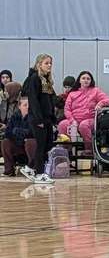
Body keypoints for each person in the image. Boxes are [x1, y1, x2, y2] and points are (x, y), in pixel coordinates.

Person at [22, 54, 56, 183]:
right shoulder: (35, 79)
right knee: (41, 145)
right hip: (37, 118)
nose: (49, 65)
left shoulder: (47, 80)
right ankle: (39, 173)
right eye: (46, 63)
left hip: (46, 118)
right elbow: (34, 101)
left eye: (50, 63)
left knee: (48, 145)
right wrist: (38, 119)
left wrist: (52, 118)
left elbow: (50, 100)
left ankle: (30, 167)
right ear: (39, 64)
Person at [57, 71, 109, 151]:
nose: (86, 80)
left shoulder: (95, 91)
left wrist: (100, 104)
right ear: (79, 80)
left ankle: (89, 150)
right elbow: (67, 109)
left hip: (90, 120)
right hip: (75, 120)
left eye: (88, 79)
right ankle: (66, 151)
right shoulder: (72, 94)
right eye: (83, 78)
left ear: (91, 81)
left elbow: (108, 100)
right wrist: (72, 121)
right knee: (62, 124)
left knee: (84, 125)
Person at [1, 96, 36, 176]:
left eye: (29, 105)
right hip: (18, 144)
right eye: (25, 105)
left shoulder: (34, 117)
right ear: (19, 106)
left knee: (30, 142)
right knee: (5, 142)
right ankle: (9, 170)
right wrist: (19, 133)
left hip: (30, 145)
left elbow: (33, 133)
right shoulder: (14, 117)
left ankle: (32, 168)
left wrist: (17, 131)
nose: (28, 107)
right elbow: (8, 132)